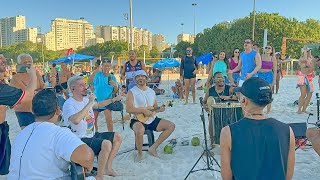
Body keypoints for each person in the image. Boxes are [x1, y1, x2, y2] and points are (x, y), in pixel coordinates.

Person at [8, 89, 95, 179]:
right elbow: (86, 157)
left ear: (33, 111)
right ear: (58, 110)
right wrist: (88, 167)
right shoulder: (58, 133)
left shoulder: (22, 134)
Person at [220, 77, 295, 180]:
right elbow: (288, 175)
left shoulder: (228, 132)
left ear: (244, 101)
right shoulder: (287, 130)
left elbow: (226, 176)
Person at [63, 76, 122, 178]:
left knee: (118, 136)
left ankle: (107, 168)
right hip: (79, 138)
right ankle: (99, 176)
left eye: (85, 84)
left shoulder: (85, 100)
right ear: (73, 88)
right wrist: (90, 102)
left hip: (92, 134)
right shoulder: (69, 104)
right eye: (81, 85)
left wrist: (113, 99)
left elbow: (98, 105)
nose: (85, 87)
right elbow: (76, 120)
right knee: (106, 144)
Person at [126, 70, 175, 162]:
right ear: (135, 79)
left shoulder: (151, 92)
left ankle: (153, 148)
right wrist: (142, 110)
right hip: (137, 120)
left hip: (151, 119)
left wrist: (160, 109)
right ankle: (139, 153)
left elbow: (155, 107)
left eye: (142, 76)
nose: (140, 78)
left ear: (146, 78)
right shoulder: (131, 92)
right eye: (138, 76)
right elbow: (128, 109)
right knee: (140, 130)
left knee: (171, 126)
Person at [10, 53, 45, 129]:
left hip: (37, 109)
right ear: (19, 64)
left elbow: (43, 86)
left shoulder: (36, 74)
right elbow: (23, 94)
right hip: (23, 110)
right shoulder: (15, 78)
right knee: (28, 132)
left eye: (29, 62)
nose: (28, 64)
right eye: (25, 62)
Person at [203, 72, 237, 144]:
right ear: (214, 80)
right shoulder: (210, 90)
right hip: (214, 113)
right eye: (218, 77)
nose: (221, 79)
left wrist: (229, 97)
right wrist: (205, 107)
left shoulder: (229, 88)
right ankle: (212, 141)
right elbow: (204, 101)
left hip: (228, 112)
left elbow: (239, 97)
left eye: (222, 77)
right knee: (211, 118)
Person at [88, 60, 118, 132]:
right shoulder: (98, 75)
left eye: (108, 66)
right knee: (94, 120)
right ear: (102, 67)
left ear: (110, 67)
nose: (106, 68)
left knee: (109, 120)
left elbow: (115, 91)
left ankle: (110, 134)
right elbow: (90, 82)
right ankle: (96, 133)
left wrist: (114, 85)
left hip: (107, 100)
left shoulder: (112, 77)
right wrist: (95, 71)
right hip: (97, 100)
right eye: (104, 66)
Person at [257, 45, 277, 113]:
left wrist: (274, 80)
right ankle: (260, 109)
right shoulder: (260, 56)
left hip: (269, 75)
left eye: (269, 48)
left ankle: (268, 110)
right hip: (260, 74)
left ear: (271, 50)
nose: (267, 49)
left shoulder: (273, 58)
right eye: (266, 48)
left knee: (268, 92)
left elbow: (275, 70)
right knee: (260, 92)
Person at [297, 46, 315, 114]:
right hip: (303, 77)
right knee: (303, 94)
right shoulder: (301, 59)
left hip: (309, 77)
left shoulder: (310, 58)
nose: (308, 52)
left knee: (309, 94)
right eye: (307, 51)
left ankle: (304, 109)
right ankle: (299, 109)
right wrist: (305, 51)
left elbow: (313, 64)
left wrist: (313, 72)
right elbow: (305, 60)